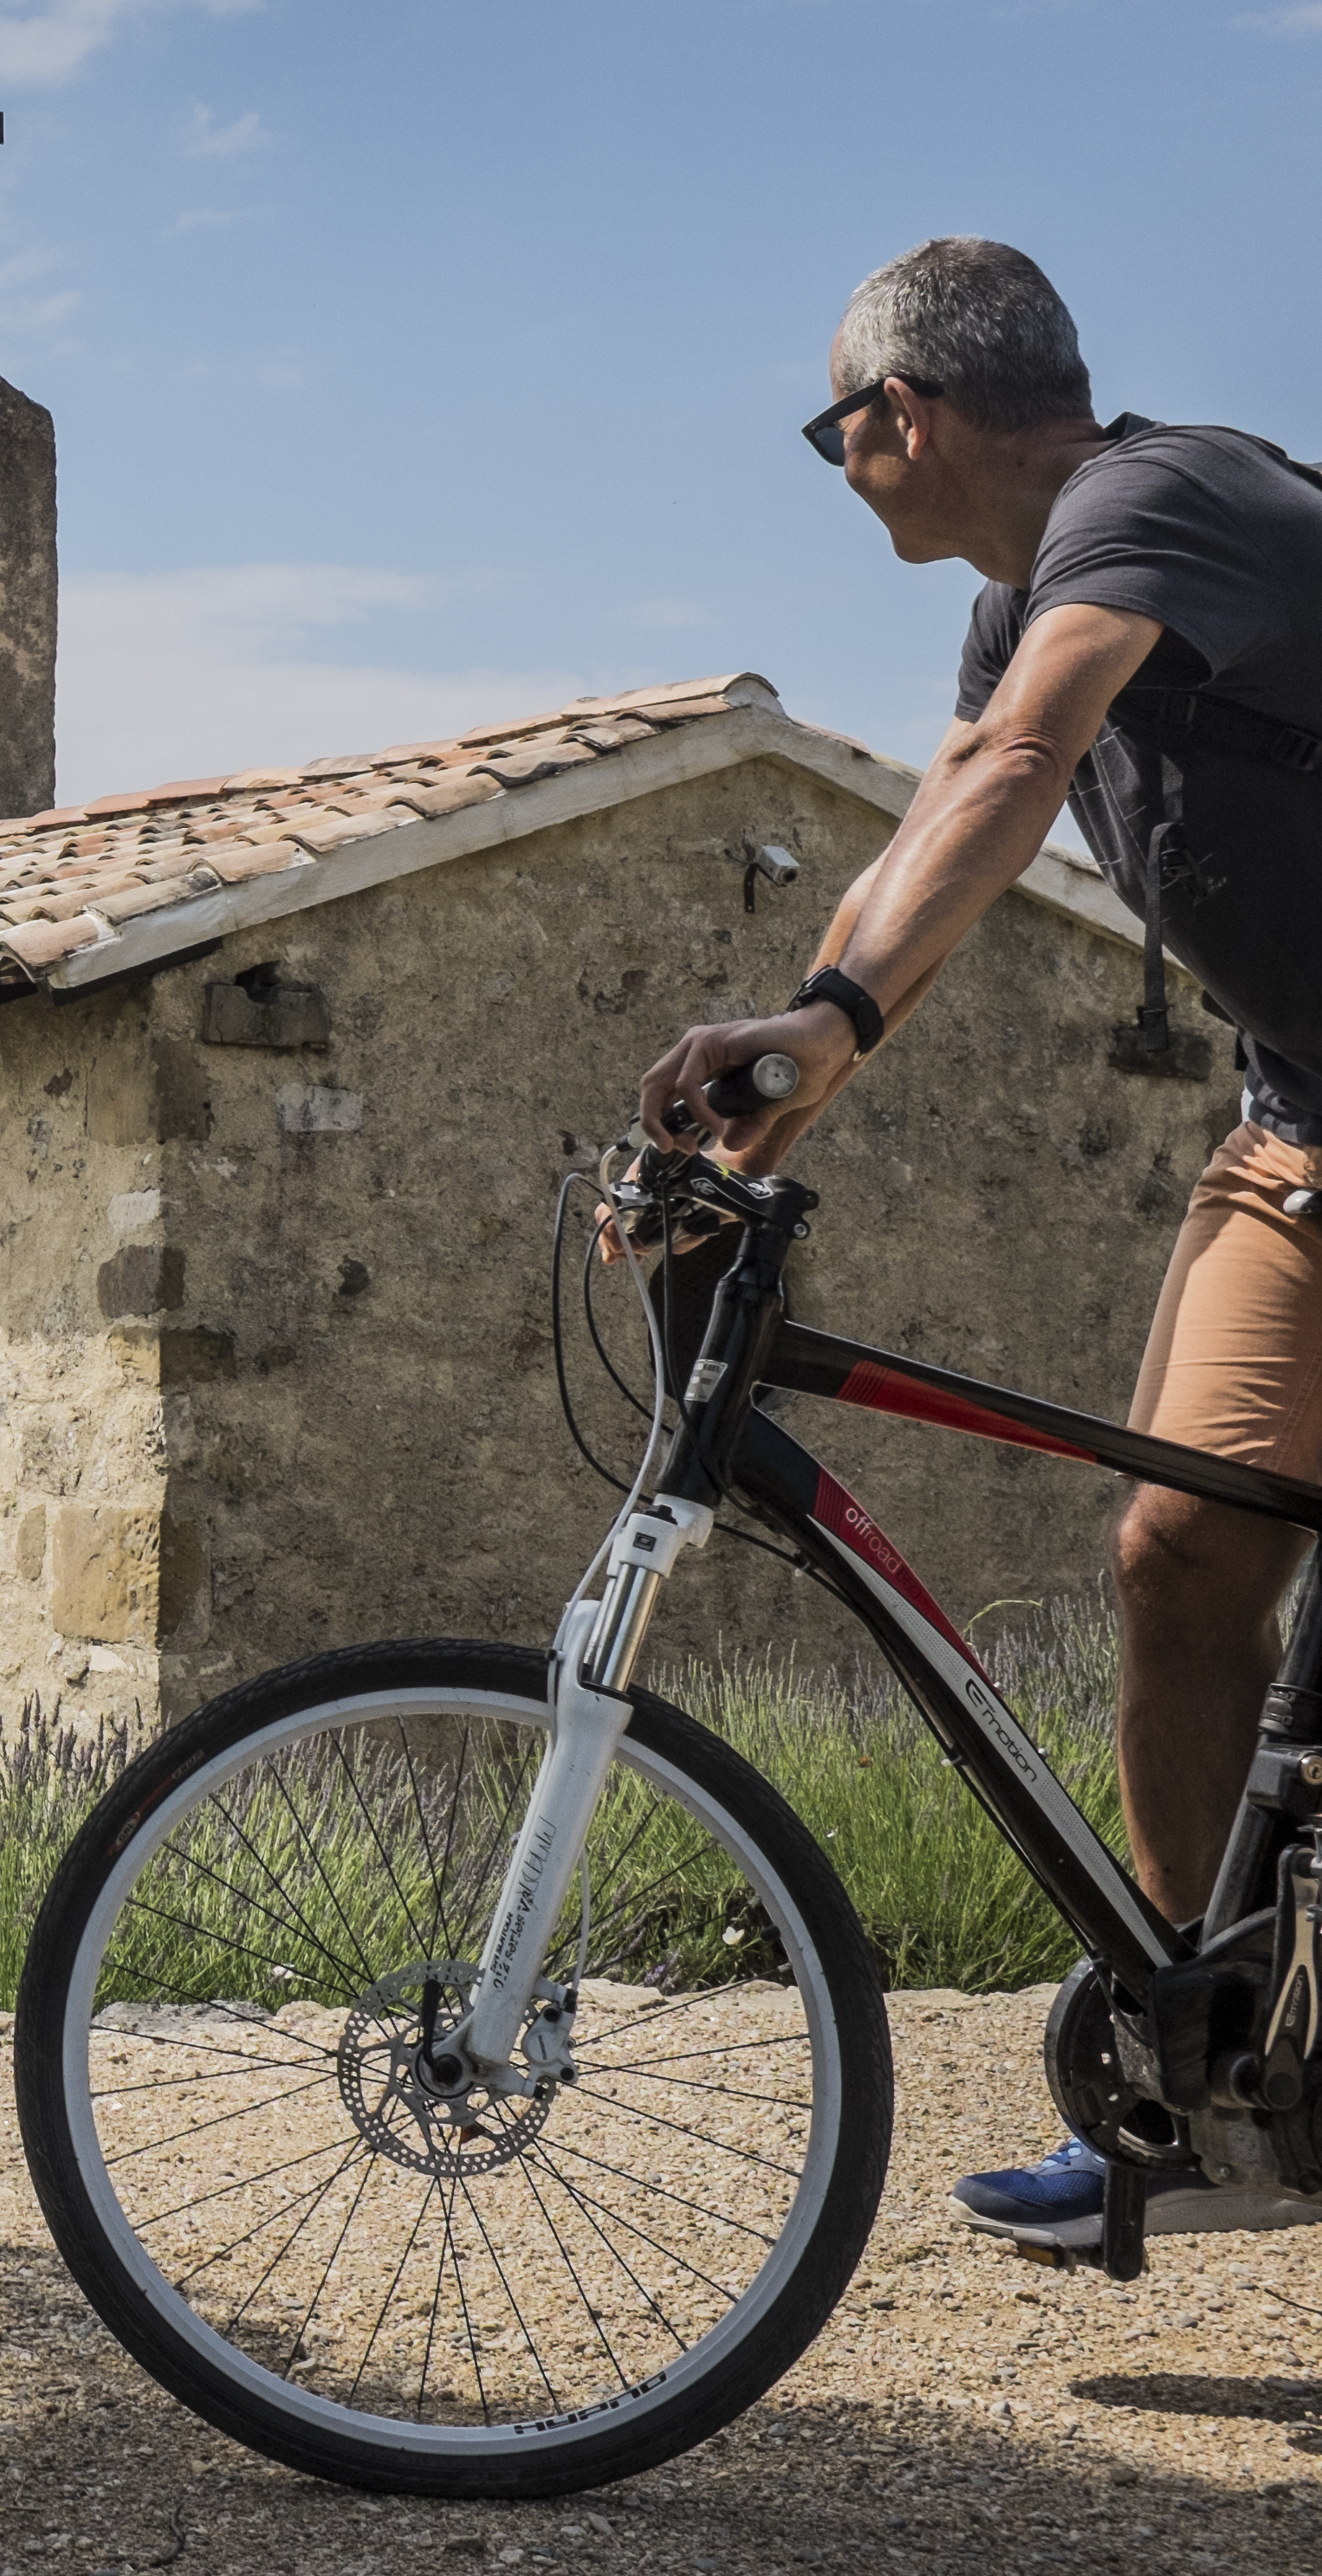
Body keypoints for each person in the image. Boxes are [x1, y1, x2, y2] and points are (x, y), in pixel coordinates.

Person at [639, 235, 1322, 2252]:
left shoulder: (1163, 495)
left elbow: (1029, 768)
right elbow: (961, 798)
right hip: (1304, 1131)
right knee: (1185, 1553)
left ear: (899, 418)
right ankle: (1209, 2106)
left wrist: (821, 1031)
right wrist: (786, 1086)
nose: (840, 464)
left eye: (831, 430)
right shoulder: (1028, 607)